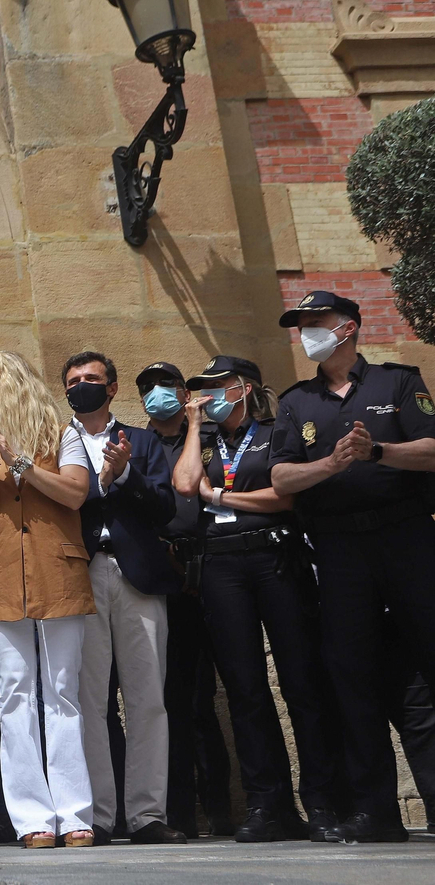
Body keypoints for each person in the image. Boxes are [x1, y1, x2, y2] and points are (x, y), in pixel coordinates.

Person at [270, 290, 435, 843]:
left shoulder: (398, 381)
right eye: (302, 325)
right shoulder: (296, 401)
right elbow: (282, 480)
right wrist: (332, 463)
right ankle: (376, 811)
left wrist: (378, 453)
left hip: (409, 539)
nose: (306, 332)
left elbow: (433, 448)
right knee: (353, 678)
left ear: (347, 328)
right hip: (340, 553)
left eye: (315, 322)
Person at [171, 355, 341, 842]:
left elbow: (283, 497)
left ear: (244, 388)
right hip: (222, 566)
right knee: (245, 690)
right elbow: (186, 485)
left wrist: (220, 498)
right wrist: (193, 425)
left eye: (217, 386)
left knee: (301, 681)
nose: (207, 395)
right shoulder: (203, 442)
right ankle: (269, 803)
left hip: (273, 558)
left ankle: (323, 801)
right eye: (200, 388)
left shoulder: (273, 432)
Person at [0, 350, 94, 849]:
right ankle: (32, 818)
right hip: (0, 576)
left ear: (10, 383)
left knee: (62, 691)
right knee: (14, 693)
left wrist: (21, 459)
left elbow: (75, 494)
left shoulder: (62, 433)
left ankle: (74, 812)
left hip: (56, 569)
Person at [61, 351, 184, 846]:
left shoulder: (145, 440)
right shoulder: (56, 441)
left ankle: (147, 814)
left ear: (111, 388)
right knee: (88, 701)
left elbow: (166, 507)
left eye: (92, 379)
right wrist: (100, 484)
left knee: (147, 698)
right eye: (73, 381)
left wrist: (127, 475)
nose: (82, 386)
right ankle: (98, 815)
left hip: (137, 575)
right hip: (81, 573)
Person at [137, 362, 235, 838]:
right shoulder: (135, 444)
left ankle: (223, 807)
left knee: (226, 693)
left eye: (167, 386)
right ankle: (178, 813)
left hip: (218, 568)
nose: (158, 395)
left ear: (184, 391)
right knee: (174, 699)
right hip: (165, 577)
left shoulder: (215, 436)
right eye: (147, 389)